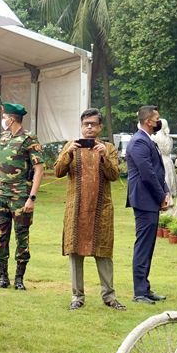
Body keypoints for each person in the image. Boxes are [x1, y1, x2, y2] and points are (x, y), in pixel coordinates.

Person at [55, 108, 125, 311]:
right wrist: (68, 153)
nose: (89, 128)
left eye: (93, 124)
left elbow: (114, 175)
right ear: (81, 126)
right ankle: (77, 296)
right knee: (75, 252)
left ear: (100, 127)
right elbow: (58, 171)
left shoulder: (109, 148)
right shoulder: (71, 146)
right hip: (76, 209)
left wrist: (104, 157)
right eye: (86, 124)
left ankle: (109, 296)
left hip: (100, 209)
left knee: (103, 251)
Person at [0, 102, 43, 290]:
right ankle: (3, 276)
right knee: (1, 237)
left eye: (4, 117)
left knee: (22, 237)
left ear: (11, 119)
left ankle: (19, 278)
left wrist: (31, 198)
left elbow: (39, 169)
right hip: (1, 196)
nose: (3, 120)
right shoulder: (2, 139)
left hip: (20, 197)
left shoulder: (29, 139)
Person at [126, 105, 171, 305]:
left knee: (148, 245)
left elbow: (157, 171)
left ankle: (145, 288)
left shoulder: (146, 141)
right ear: (148, 121)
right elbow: (147, 174)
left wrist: (166, 190)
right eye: (156, 119)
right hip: (144, 200)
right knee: (143, 246)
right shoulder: (138, 142)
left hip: (150, 199)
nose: (158, 122)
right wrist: (161, 196)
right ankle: (139, 292)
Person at [150, 118, 176, 192]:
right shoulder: (169, 138)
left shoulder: (155, 137)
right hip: (168, 161)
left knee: (163, 180)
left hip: (160, 160)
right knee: (169, 179)